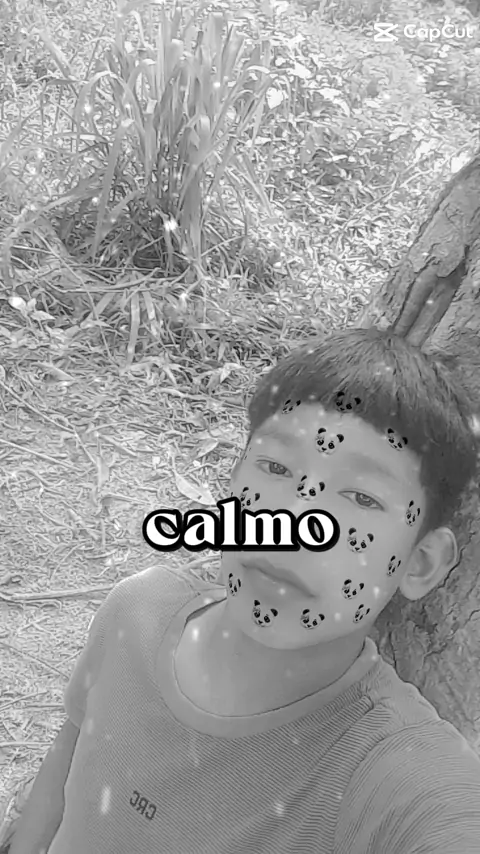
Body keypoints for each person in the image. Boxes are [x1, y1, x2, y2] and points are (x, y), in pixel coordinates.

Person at [9, 328, 480, 854]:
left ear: (420, 563)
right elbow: (61, 778)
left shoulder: (392, 776)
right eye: (276, 468)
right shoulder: (137, 613)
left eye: (362, 498)